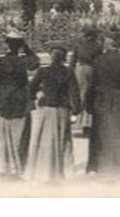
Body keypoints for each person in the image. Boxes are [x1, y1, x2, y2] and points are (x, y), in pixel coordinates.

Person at [0, 29, 39, 178]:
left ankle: (1, 168)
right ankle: (17, 170)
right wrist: (25, 46)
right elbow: (35, 62)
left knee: (2, 137)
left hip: (3, 104)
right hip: (21, 103)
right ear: (19, 45)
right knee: (20, 136)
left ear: (6, 44)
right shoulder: (22, 62)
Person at [27, 44, 80, 182]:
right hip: (62, 109)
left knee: (43, 139)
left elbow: (30, 88)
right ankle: (63, 172)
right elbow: (74, 93)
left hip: (46, 109)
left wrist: (38, 95)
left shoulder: (43, 71)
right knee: (63, 139)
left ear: (51, 57)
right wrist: (75, 111)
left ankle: (41, 171)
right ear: (63, 58)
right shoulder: (68, 72)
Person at [86, 32, 120, 175]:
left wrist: (88, 102)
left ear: (108, 44)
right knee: (119, 130)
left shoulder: (99, 60)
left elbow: (92, 83)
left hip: (102, 98)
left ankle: (97, 164)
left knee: (100, 131)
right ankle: (118, 163)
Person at [72, 27, 104, 136]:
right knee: (90, 94)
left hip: (80, 69)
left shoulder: (79, 45)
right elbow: (99, 61)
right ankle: (88, 121)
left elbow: (73, 61)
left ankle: (79, 120)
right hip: (92, 70)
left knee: (81, 93)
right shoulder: (97, 46)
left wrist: (70, 73)